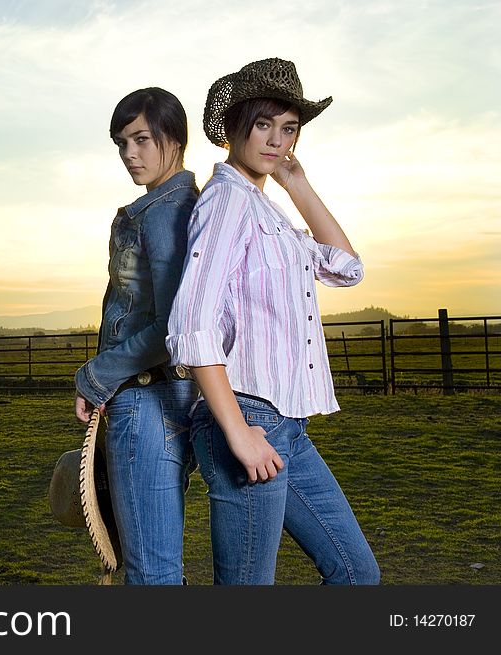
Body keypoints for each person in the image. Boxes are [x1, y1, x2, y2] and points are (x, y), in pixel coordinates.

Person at [166, 58, 380, 585]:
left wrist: (296, 182)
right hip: (247, 417)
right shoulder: (226, 203)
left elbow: (346, 268)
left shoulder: (266, 210)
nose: (276, 140)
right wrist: (236, 431)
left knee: (357, 575)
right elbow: (192, 323)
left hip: (287, 427)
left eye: (289, 129)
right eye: (265, 124)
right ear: (236, 125)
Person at [74, 87, 199, 585]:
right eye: (122, 143)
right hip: (167, 398)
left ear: (175, 138)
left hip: (147, 398)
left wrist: (95, 376)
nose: (129, 154)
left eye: (142, 139)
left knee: (149, 572)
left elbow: (173, 327)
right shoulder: (162, 206)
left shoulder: (167, 211)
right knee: (157, 564)